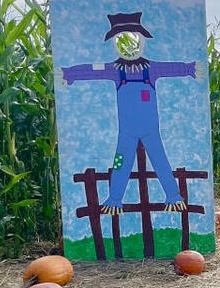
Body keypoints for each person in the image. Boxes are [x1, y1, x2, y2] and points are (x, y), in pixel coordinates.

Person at [60, 11, 196, 214]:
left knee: (160, 160)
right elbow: (93, 70)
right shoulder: (116, 70)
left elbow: (172, 67)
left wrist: (190, 68)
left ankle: (173, 196)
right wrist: (69, 73)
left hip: (150, 129)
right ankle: (115, 199)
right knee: (120, 161)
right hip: (127, 132)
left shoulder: (151, 69)